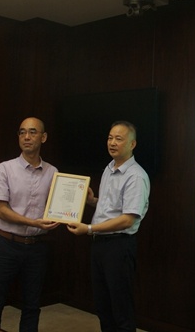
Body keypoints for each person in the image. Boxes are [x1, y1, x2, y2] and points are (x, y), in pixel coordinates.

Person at [67, 120, 150, 332]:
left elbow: (127, 219)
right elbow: (110, 208)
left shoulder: (136, 176)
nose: (112, 143)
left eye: (118, 139)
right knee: (103, 307)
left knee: (121, 309)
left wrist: (89, 229)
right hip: (100, 245)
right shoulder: (109, 168)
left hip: (118, 246)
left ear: (132, 144)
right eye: (110, 138)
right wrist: (92, 201)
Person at [0, 117, 60, 332]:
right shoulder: (4, 169)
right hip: (6, 244)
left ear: (43, 137)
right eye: (22, 132)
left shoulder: (53, 172)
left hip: (37, 247)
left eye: (33, 132)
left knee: (32, 306)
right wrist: (33, 222)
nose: (26, 137)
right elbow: (0, 210)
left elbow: (60, 206)